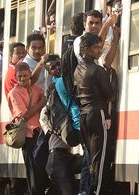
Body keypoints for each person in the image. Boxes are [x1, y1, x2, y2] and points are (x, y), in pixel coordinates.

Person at [74, 33, 116, 194]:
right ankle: (97, 191)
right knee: (101, 159)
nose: (99, 51)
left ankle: (90, 190)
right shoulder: (97, 70)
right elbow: (110, 94)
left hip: (84, 116)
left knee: (92, 158)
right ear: (86, 49)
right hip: (98, 114)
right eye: (96, 48)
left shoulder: (77, 70)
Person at [7, 62, 48, 195]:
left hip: (41, 134)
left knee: (41, 171)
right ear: (16, 76)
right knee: (33, 172)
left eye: (25, 75)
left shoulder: (37, 90)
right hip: (29, 136)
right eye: (20, 76)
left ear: (30, 74)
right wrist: (41, 103)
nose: (23, 79)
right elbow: (23, 115)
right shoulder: (14, 93)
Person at [43, 55, 82, 194]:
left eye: (58, 64)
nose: (57, 68)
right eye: (52, 67)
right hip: (57, 159)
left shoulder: (61, 107)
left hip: (65, 157)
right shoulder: (48, 115)